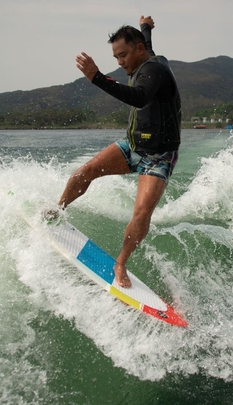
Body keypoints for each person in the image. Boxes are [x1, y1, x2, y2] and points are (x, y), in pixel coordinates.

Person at [53, 15, 181, 288]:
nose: (120, 62)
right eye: (116, 56)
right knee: (85, 172)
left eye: (123, 55)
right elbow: (145, 41)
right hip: (132, 146)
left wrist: (97, 78)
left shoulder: (154, 70)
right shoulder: (144, 53)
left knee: (141, 213)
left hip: (158, 156)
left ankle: (120, 263)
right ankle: (57, 209)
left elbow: (140, 97)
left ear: (139, 50)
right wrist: (145, 26)